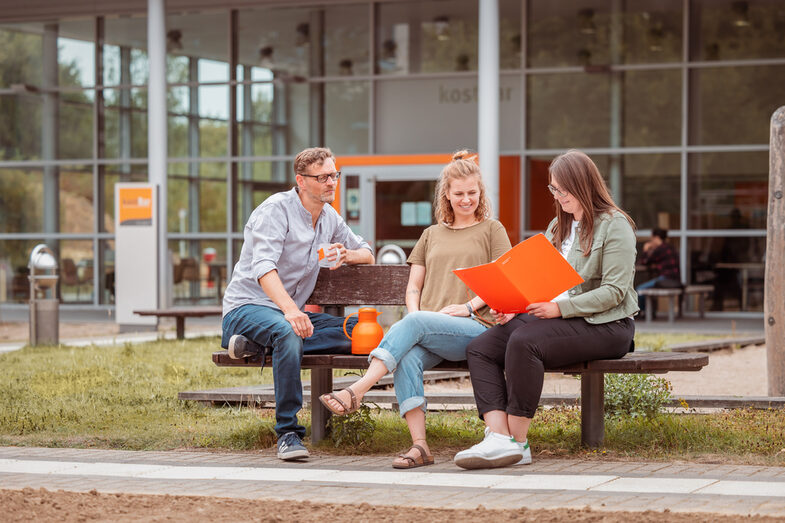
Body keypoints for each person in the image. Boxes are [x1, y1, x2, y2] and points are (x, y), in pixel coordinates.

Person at [318, 150, 511, 469]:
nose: (466, 200)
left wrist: (466, 307)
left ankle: (359, 389)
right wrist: (417, 317)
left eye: (472, 193)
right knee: (406, 355)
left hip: (477, 328)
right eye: (459, 193)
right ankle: (420, 446)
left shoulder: (492, 230)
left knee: (416, 324)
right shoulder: (430, 235)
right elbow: (413, 288)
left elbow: (503, 277)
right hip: (430, 329)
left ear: (480, 193)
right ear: (446, 194)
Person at [454, 149, 638, 470]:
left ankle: (519, 444)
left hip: (607, 325)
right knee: (481, 347)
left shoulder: (614, 225)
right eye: (553, 189)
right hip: (560, 316)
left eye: (562, 190)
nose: (558, 196)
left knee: (525, 341)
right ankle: (499, 438)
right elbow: (544, 280)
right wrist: (515, 305)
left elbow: (614, 292)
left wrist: (559, 308)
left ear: (583, 185)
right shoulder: (558, 226)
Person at [220, 147, 374, 461]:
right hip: (247, 307)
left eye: (334, 175)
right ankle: (288, 433)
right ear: (301, 181)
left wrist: (346, 255)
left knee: (359, 331)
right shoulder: (275, 211)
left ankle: (256, 346)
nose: (332, 182)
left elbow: (368, 253)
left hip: (285, 314)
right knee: (288, 333)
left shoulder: (329, 217)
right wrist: (291, 311)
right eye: (323, 177)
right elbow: (263, 268)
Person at [636, 227, 681, 312]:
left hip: (666, 279)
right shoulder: (670, 247)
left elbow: (644, 262)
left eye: (652, 238)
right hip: (675, 279)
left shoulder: (660, 249)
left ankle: (643, 312)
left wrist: (646, 250)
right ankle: (648, 312)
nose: (651, 241)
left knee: (640, 289)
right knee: (646, 289)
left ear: (656, 238)